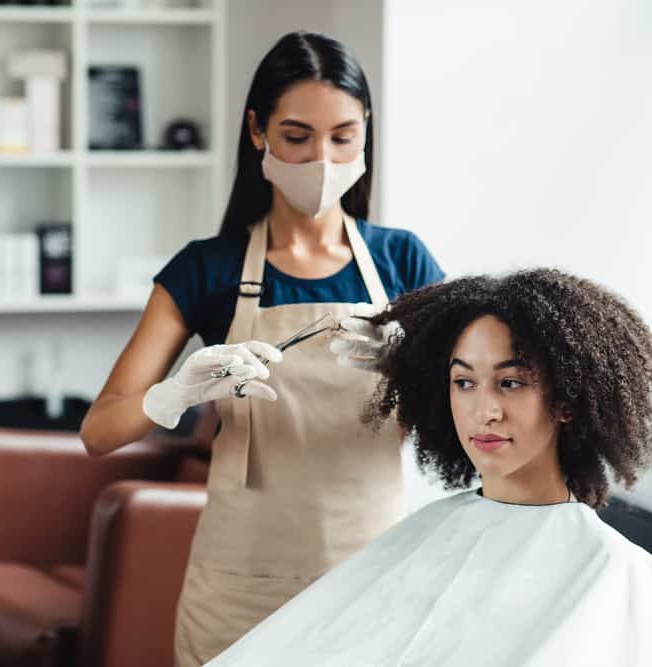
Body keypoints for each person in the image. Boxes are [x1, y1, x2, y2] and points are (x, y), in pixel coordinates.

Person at [78, 31, 444, 667]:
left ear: (366, 134)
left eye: (343, 137)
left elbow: (473, 419)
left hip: (374, 580)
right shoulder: (204, 270)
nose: (321, 160)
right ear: (258, 132)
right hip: (240, 590)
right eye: (297, 136)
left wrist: (418, 368)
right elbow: (100, 431)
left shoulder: (402, 261)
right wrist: (176, 395)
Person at [206, 270, 652, 666]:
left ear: (569, 399)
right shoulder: (427, 537)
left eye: (511, 381)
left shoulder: (605, 571)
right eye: (463, 381)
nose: (485, 409)